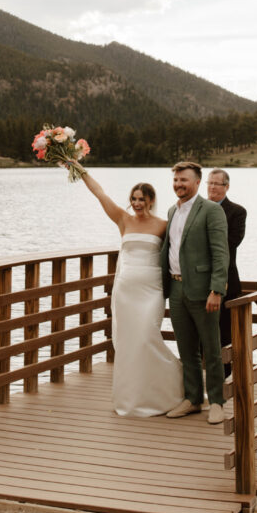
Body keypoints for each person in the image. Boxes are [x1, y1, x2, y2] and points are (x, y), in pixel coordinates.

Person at [78, 169, 185, 417]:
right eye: (134, 199)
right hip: (126, 290)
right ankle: (132, 396)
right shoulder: (123, 220)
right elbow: (99, 193)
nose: (137, 204)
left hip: (152, 289)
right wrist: (79, 170)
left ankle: (173, 388)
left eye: (142, 199)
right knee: (128, 344)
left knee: (148, 337)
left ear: (151, 201)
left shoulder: (163, 225)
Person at [160, 161, 230, 424]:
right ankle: (192, 399)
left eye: (184, 180)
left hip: (203, 290)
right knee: (186, 348)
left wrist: (216, 290)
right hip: (176, 288)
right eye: (176, 180)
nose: (179, 184)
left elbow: (220, 253)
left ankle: (216, 402)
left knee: (211, 348)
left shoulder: (211, 210)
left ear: (197, 182)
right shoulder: (171, 211)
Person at [206, 168, 246, 379]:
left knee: (224, 331)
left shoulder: (237, 212)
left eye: (217, 184)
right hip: (200, 280)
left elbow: (231, 243)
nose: (212, 187)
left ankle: (225, 378)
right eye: (209, 183)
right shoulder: (197, 208)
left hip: (226, 280)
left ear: (226, 187)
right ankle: (207, 376)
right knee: (203, 332)